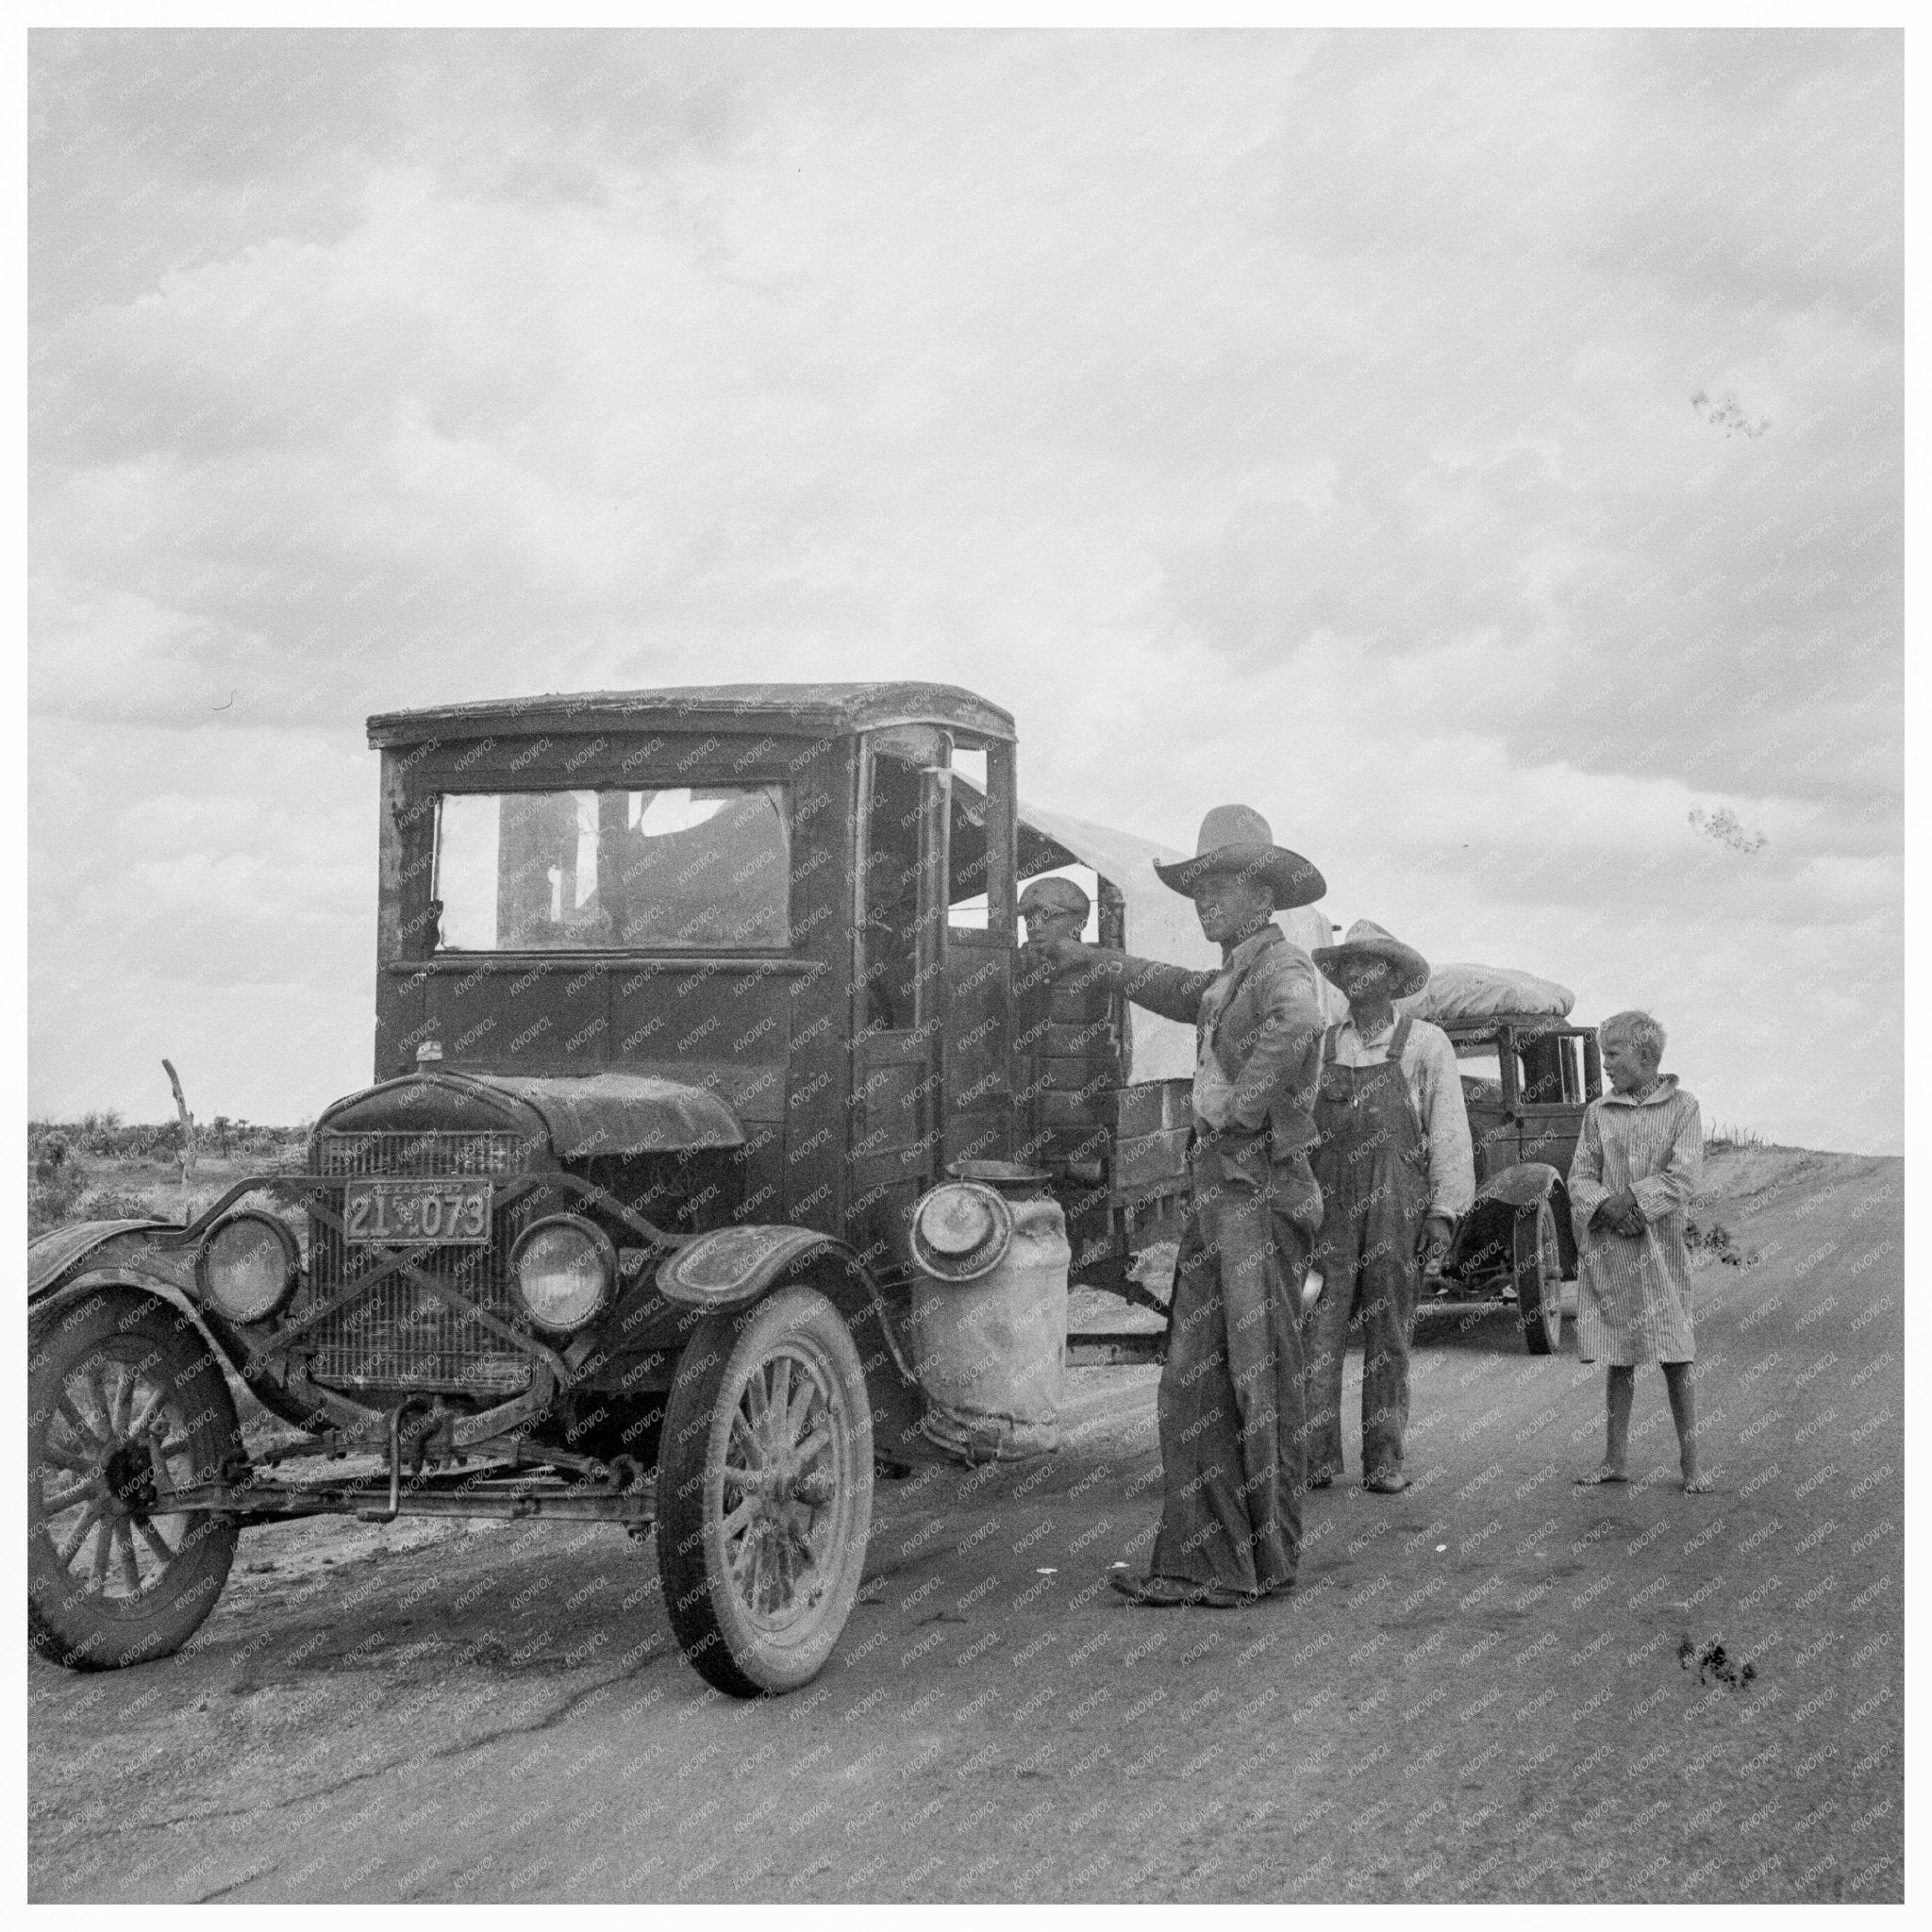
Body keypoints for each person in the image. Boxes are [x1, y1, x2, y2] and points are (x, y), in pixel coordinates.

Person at [1038, 804, 1326, 1608]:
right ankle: (1206, 1565)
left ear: (1262, 897)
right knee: (1195, 1383)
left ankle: (1261, 1564)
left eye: (1220, 888)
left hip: (1258, 1195)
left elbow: (1300, 1020)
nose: (1204, 902)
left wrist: (1240, 1111)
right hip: (1222, 1197)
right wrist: (1093, 959)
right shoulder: (1232, 975)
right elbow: (1172, 988)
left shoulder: (1280, 966)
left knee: (1256, 1379)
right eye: (1199, 890)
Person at [1304, 919, 1474, 1494]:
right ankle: (1315, 1458)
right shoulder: (1323, 1045)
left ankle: (1384, 1461)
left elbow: (1448, 1132)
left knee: (1389, 1333)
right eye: (1349, 964)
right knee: (1318, 1327)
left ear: (1393, 977)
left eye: (1370, 964)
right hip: (1329, 1209)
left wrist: (1443, 1213)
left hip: (1396, 1205)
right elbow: (1299, 1131)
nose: (1358, 974)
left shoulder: (1425, 1043)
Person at [1567, 1009, 1708, 1493]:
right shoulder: (1599, 1112)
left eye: (1613, 1053)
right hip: (1613, 1246)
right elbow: (1580, 1176)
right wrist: (1607, 1207)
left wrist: (1634, 1201)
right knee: (1618, 1353)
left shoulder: (1683, 1107)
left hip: (1661, 1247)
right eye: (1604, 1053)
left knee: (1675, 1353)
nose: (1606, 1063)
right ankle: (1615, 1459)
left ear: (1646, 1055)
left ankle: (1692, 1464)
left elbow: (1683, 1175)